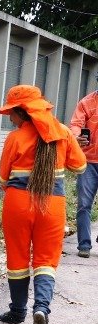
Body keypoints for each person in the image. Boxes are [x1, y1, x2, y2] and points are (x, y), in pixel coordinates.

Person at [0, 85, 86, 324]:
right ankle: (42, 309)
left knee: (18, 258)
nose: (10, 118)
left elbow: (3, 179)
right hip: (52, 203)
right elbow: (80, 166)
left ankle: (17, 312)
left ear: (22, 112)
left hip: (18, 202)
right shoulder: (63, 133)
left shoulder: (15, 138)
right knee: (46, 261)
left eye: (12, 113)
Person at [68, 81, 98, 258]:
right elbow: (76, 124)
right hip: (88, 161)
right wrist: (76, 136)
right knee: (84, 204)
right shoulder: (87, 103)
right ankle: (84, 245)